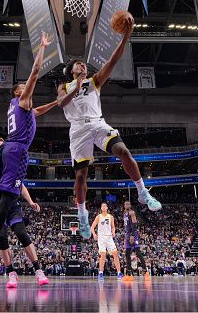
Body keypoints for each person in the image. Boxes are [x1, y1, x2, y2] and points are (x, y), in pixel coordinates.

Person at [56, 15, 161, 238]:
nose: (82, 65)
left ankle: (142, 192)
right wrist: (77, 86)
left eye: (83, 64)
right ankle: (83, 216)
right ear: (71, 71)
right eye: (78, 64)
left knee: (123, 151)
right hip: (77, 130)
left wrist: (126, 37)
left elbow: (111, 62)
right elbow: (61, 103)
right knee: (81, 177)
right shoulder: (64, 85)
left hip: (97, 123)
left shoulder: (94, 81)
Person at [0, 31, 52, 266]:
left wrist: (61, 100)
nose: (28, 88)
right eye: (24, 87)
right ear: (19, 92)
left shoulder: (15, 107)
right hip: (16, 149)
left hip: (10, 148)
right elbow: (35, 73)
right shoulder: (23, 100)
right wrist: (43, 47)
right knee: (5, 199)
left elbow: (42, 110)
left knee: (6, 203)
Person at [0, 136, 52, 288]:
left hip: (12, 206)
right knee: (3, 240)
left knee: (21, 233)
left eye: (3, 146)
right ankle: (11, 273)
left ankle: (38, 270)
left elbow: (21, 186)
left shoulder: (12, 166)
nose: (3, 148)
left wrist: (31, 201)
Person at [91, 203, 123, 281]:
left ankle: (119, 273)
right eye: (102, 206)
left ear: (107, 208)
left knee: (115, 254)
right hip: (101, 238)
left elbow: (113, 226)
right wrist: (94, 234)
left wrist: (114, 232)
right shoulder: (98, 217)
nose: (104, 207)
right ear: (101, 208)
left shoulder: (110, 217)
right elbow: (92, 227)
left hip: (109, 237)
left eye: (105, 206)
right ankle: (101, 273)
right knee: (103, 254)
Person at [122, 201, 150, 282]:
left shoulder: (132, 212)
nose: (127, 205)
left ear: (130, 205)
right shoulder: (124, 214)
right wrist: (127, 236)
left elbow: (135, 224)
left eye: (128, 204)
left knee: (138, 253)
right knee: (127, 254)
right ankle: (129, 274)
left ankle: (146, 272)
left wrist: (132, 235)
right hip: (127, 235)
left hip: (133, 234)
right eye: (125, 204)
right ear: (124, 206)